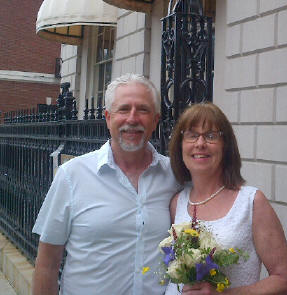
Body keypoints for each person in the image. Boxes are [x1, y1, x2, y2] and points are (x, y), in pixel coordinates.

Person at [32, 74, 180, 295]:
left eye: (142, 110)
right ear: (108, 118)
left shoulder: (174, 176)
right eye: (123, 109)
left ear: (155, 120)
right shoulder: (72, 175)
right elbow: (47, 264)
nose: (132, 118)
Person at [165, 102, 287, 295]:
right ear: (180, 146)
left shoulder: (251, 202)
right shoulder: (177, 203)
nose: (200, 143)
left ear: (225, 146)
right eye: (192, 135)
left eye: (211, 136)